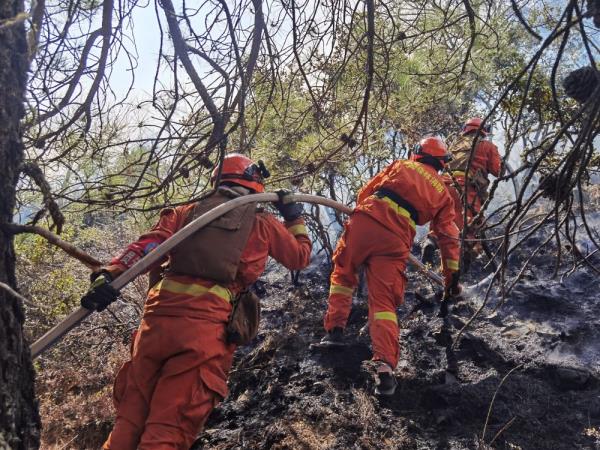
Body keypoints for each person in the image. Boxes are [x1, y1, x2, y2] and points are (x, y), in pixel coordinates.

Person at [80, 154, 312, 449]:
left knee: (128, 425)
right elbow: (300, 257)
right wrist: (294, 217)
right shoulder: (262, 222)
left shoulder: (186, 212)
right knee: (167, 431)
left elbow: (148, 245)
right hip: (202, 333)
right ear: (254, 179)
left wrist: (110, 273)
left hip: (154, 328)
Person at [321, 136, 461, 396]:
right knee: (384, 304)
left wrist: (363, 219)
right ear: (441, 163)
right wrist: (451, 278)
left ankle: (334, 333)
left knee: (343, 275)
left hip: (367, 218)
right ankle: (384, 367)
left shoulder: (401, 165)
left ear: (417, 154)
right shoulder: (443, 192)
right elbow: (449, 236)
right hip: (396, 238)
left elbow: (366, 192)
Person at [421, 117, 502, 266]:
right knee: (470, 228)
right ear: (484, 131)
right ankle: (459, 273)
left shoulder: (453, 145)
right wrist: (498, 158)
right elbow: (498, 171)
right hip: (466, 189)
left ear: (466, 129)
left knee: (443, 223)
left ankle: (431, 241)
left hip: (443, 187)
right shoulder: (487, 145)